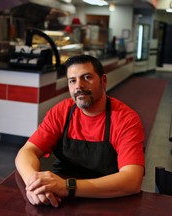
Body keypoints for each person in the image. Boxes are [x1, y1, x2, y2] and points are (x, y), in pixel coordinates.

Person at [15, 54, 145, 208]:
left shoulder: (126, 119)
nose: (79, 86)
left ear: (103, 81)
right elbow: (27, 151)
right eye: (72, 80)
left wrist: (68, 187)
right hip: (61, 198)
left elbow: (132, 181)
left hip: (108, 196)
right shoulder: (60, 112)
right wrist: (34, 184)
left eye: (87, 77)